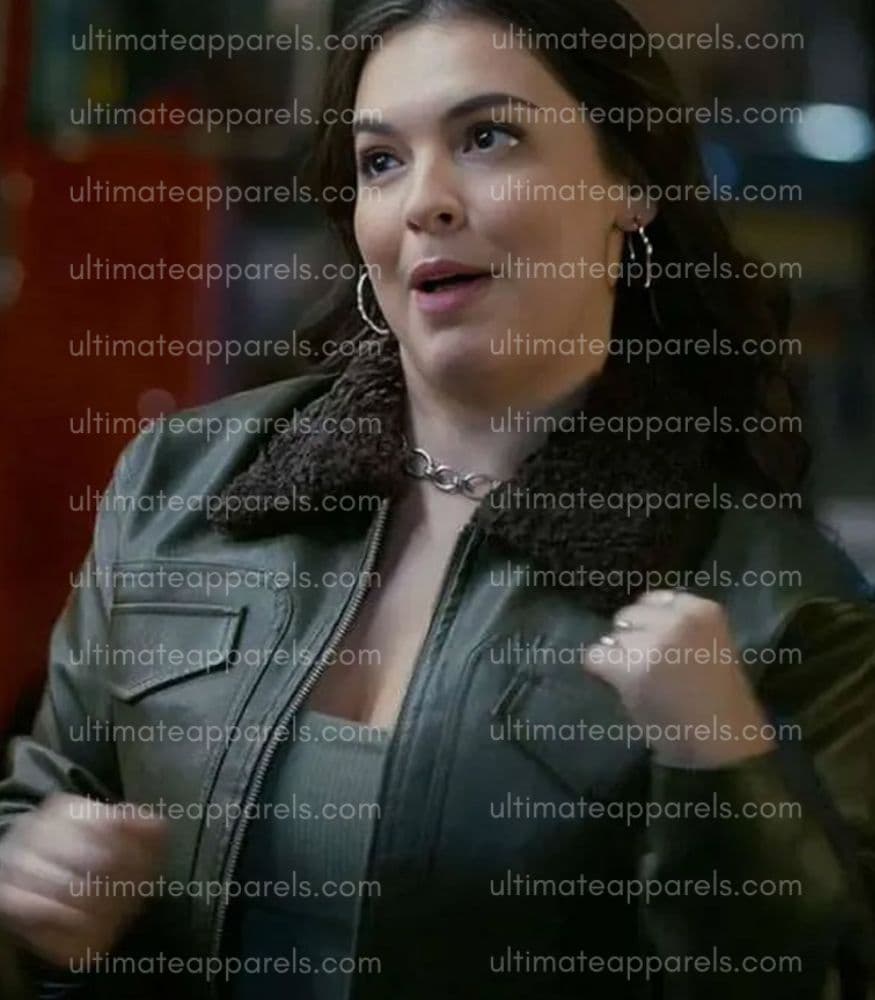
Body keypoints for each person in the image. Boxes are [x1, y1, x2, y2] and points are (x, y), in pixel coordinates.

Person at [0, 1, 873, 997]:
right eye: (380, 161)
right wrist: (31, 880)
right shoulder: (183, 484)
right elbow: (40, 803)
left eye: (487, 138)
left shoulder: (779, 604)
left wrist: (722, 766)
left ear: (629, 186)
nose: (424, 201)